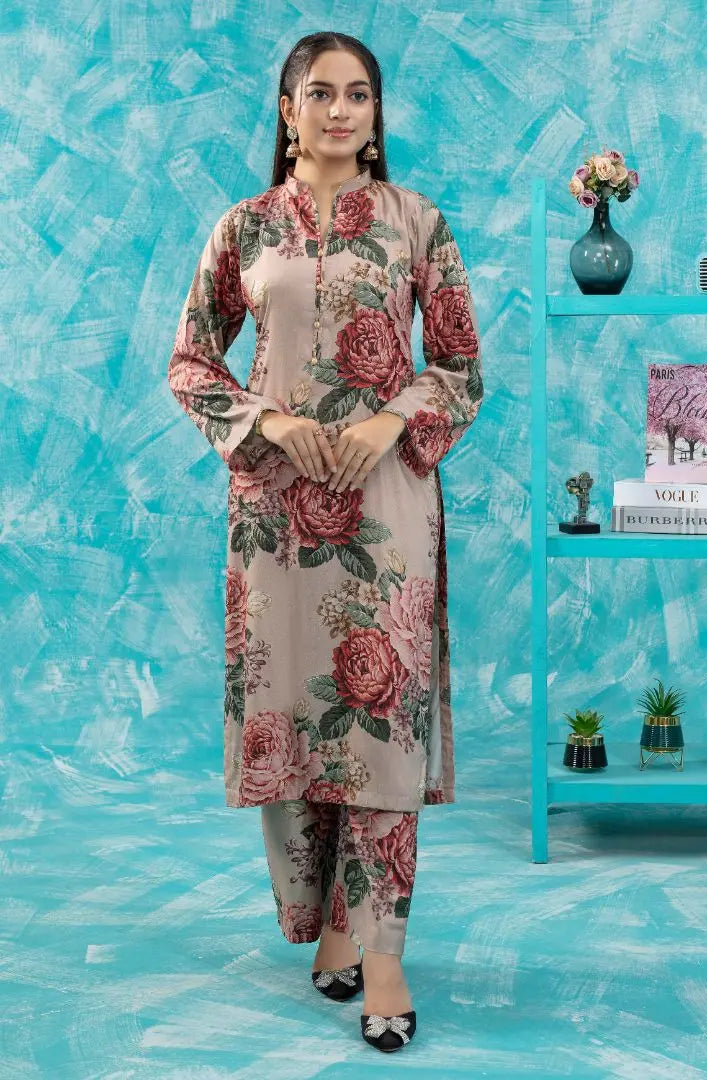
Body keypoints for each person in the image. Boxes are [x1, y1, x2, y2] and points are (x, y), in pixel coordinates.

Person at [167, 30, 484, 1053]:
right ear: (288, 110)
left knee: (379, 722)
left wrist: (393, 419)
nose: (341, 110)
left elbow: (462, 368)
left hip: (387, 503)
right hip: (275, 512)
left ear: (376, 115)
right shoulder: (244, 228)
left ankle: (382, 954)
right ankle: (329, 922)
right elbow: (191, 363)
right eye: (321, 93)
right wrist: (268, 420)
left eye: (358, 94)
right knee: (296, 717)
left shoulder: (416, 222)